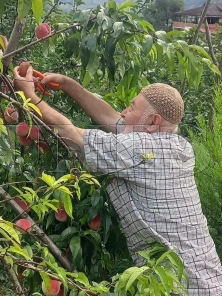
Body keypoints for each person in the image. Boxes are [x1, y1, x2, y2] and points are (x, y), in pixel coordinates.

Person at [13, 65, 222, 295]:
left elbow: (72, 135)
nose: (123, 111)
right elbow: (111, 118)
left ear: (152, 122)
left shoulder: (143, 151)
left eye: (131, 107)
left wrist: (30, 97)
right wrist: (66, 84)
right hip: (204, 280)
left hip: (185, 287)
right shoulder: (174, 145)